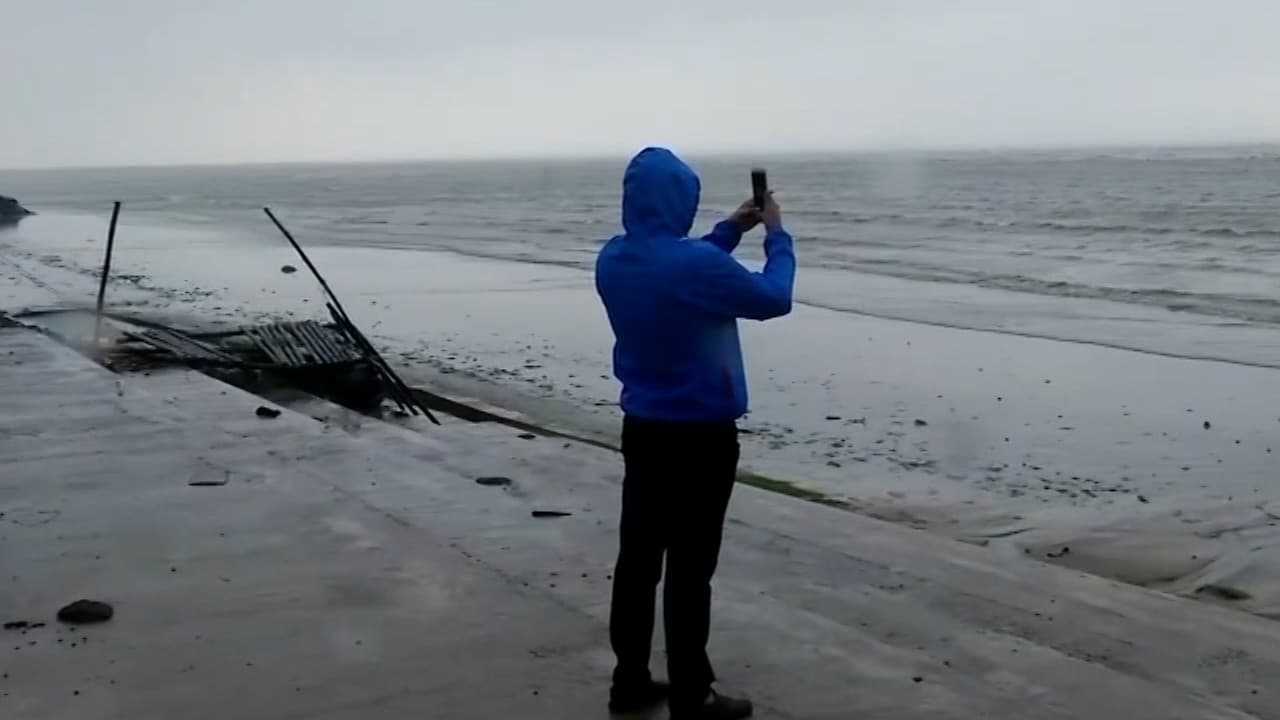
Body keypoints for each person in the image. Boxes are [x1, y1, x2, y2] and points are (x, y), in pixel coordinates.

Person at [594, 147, 796, 719]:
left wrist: (732, 227)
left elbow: (683, 265)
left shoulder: (614, 258)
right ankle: (691, 692)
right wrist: (776, 235)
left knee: (638, 559)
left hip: (644, 428)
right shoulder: (691, 268)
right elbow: (773, 297)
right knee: (689, 567)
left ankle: (629, 679)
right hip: (701, 437)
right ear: (679, 200)